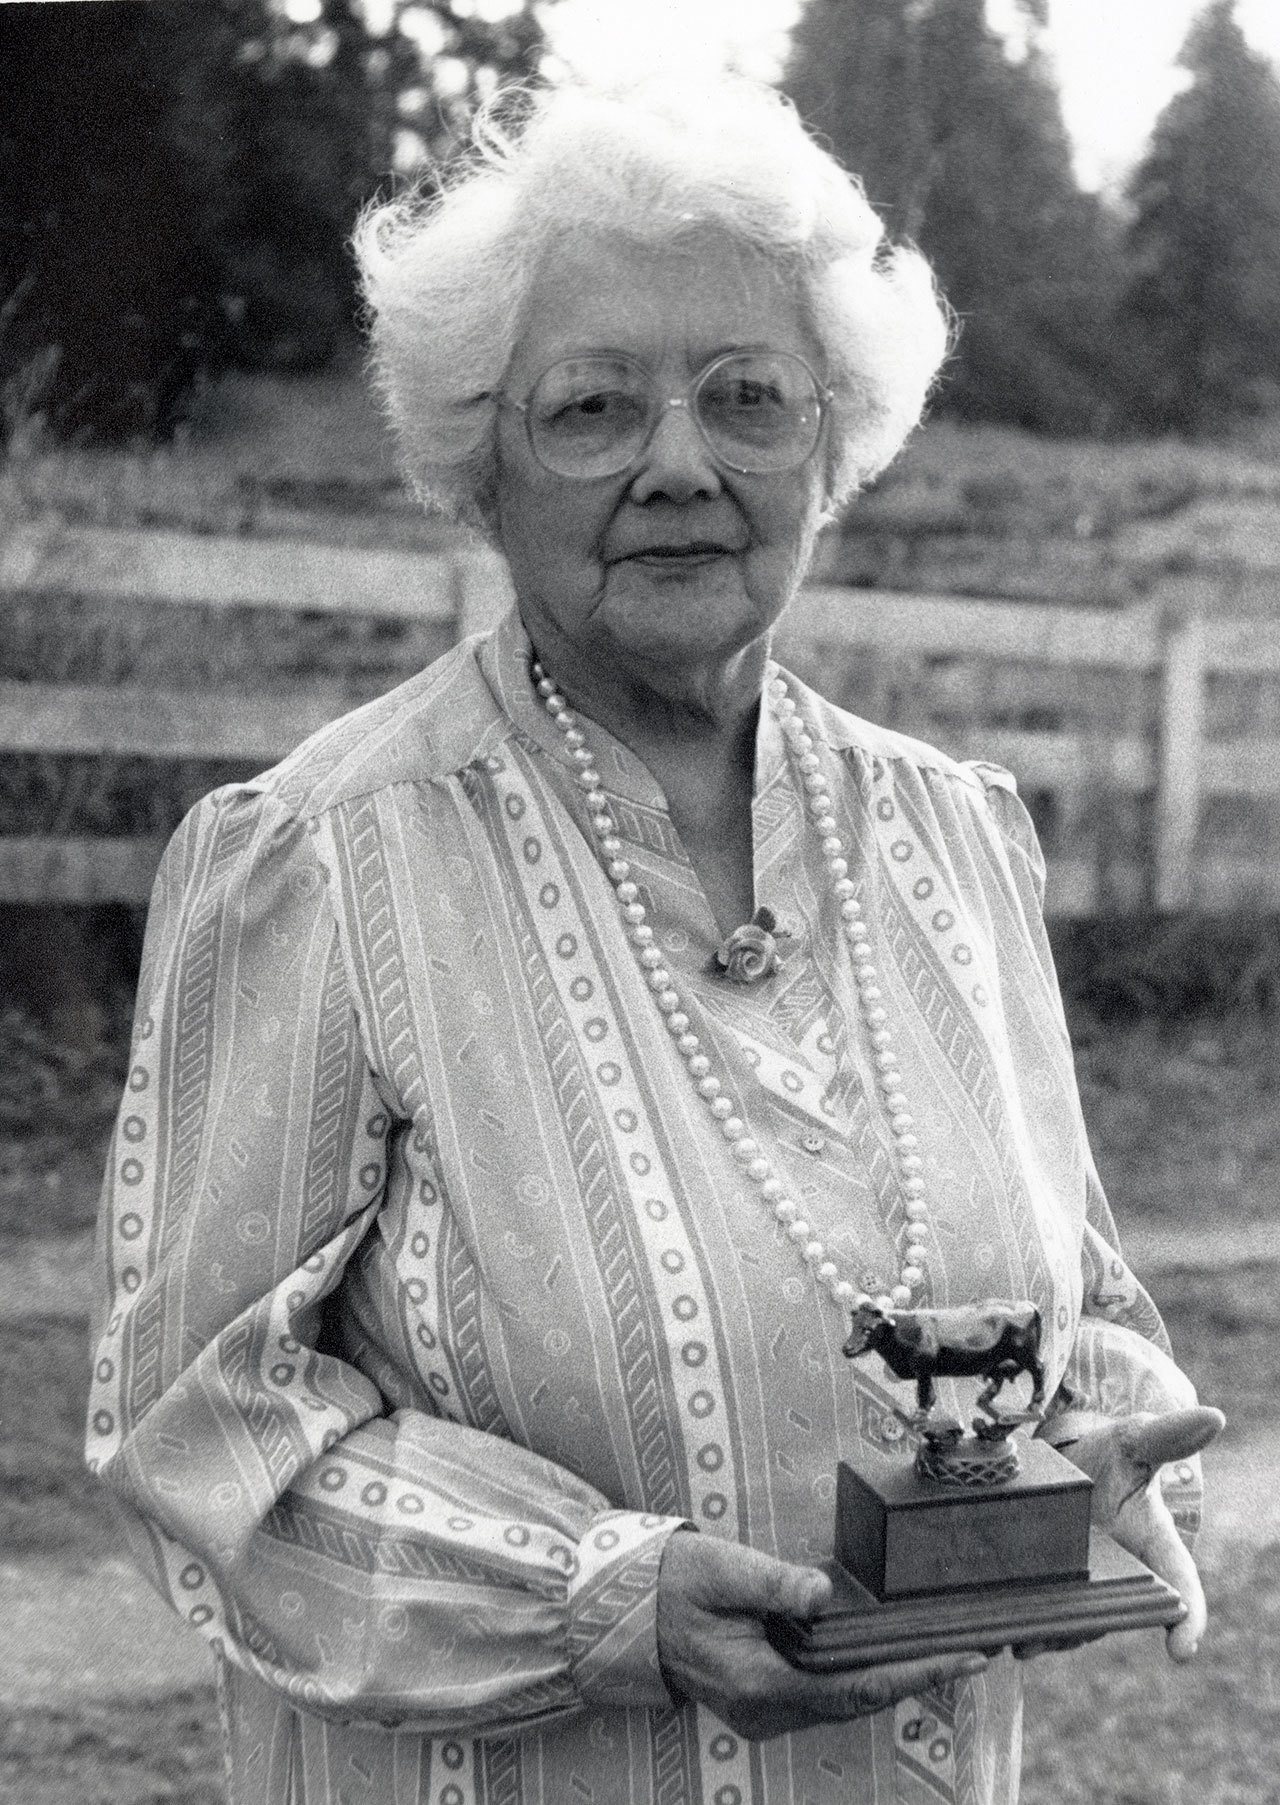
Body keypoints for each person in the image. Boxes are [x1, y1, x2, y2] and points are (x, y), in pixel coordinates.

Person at [86, 76, 1215, 1805]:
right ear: (481, 460)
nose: (679, 461)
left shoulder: (955, 838)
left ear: (834, 449)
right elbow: (203, 1419)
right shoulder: (320, 859)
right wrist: (599, 1597)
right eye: (594, 406)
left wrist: (1096, 1451)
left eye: (749, 398)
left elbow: (1086, 1292)